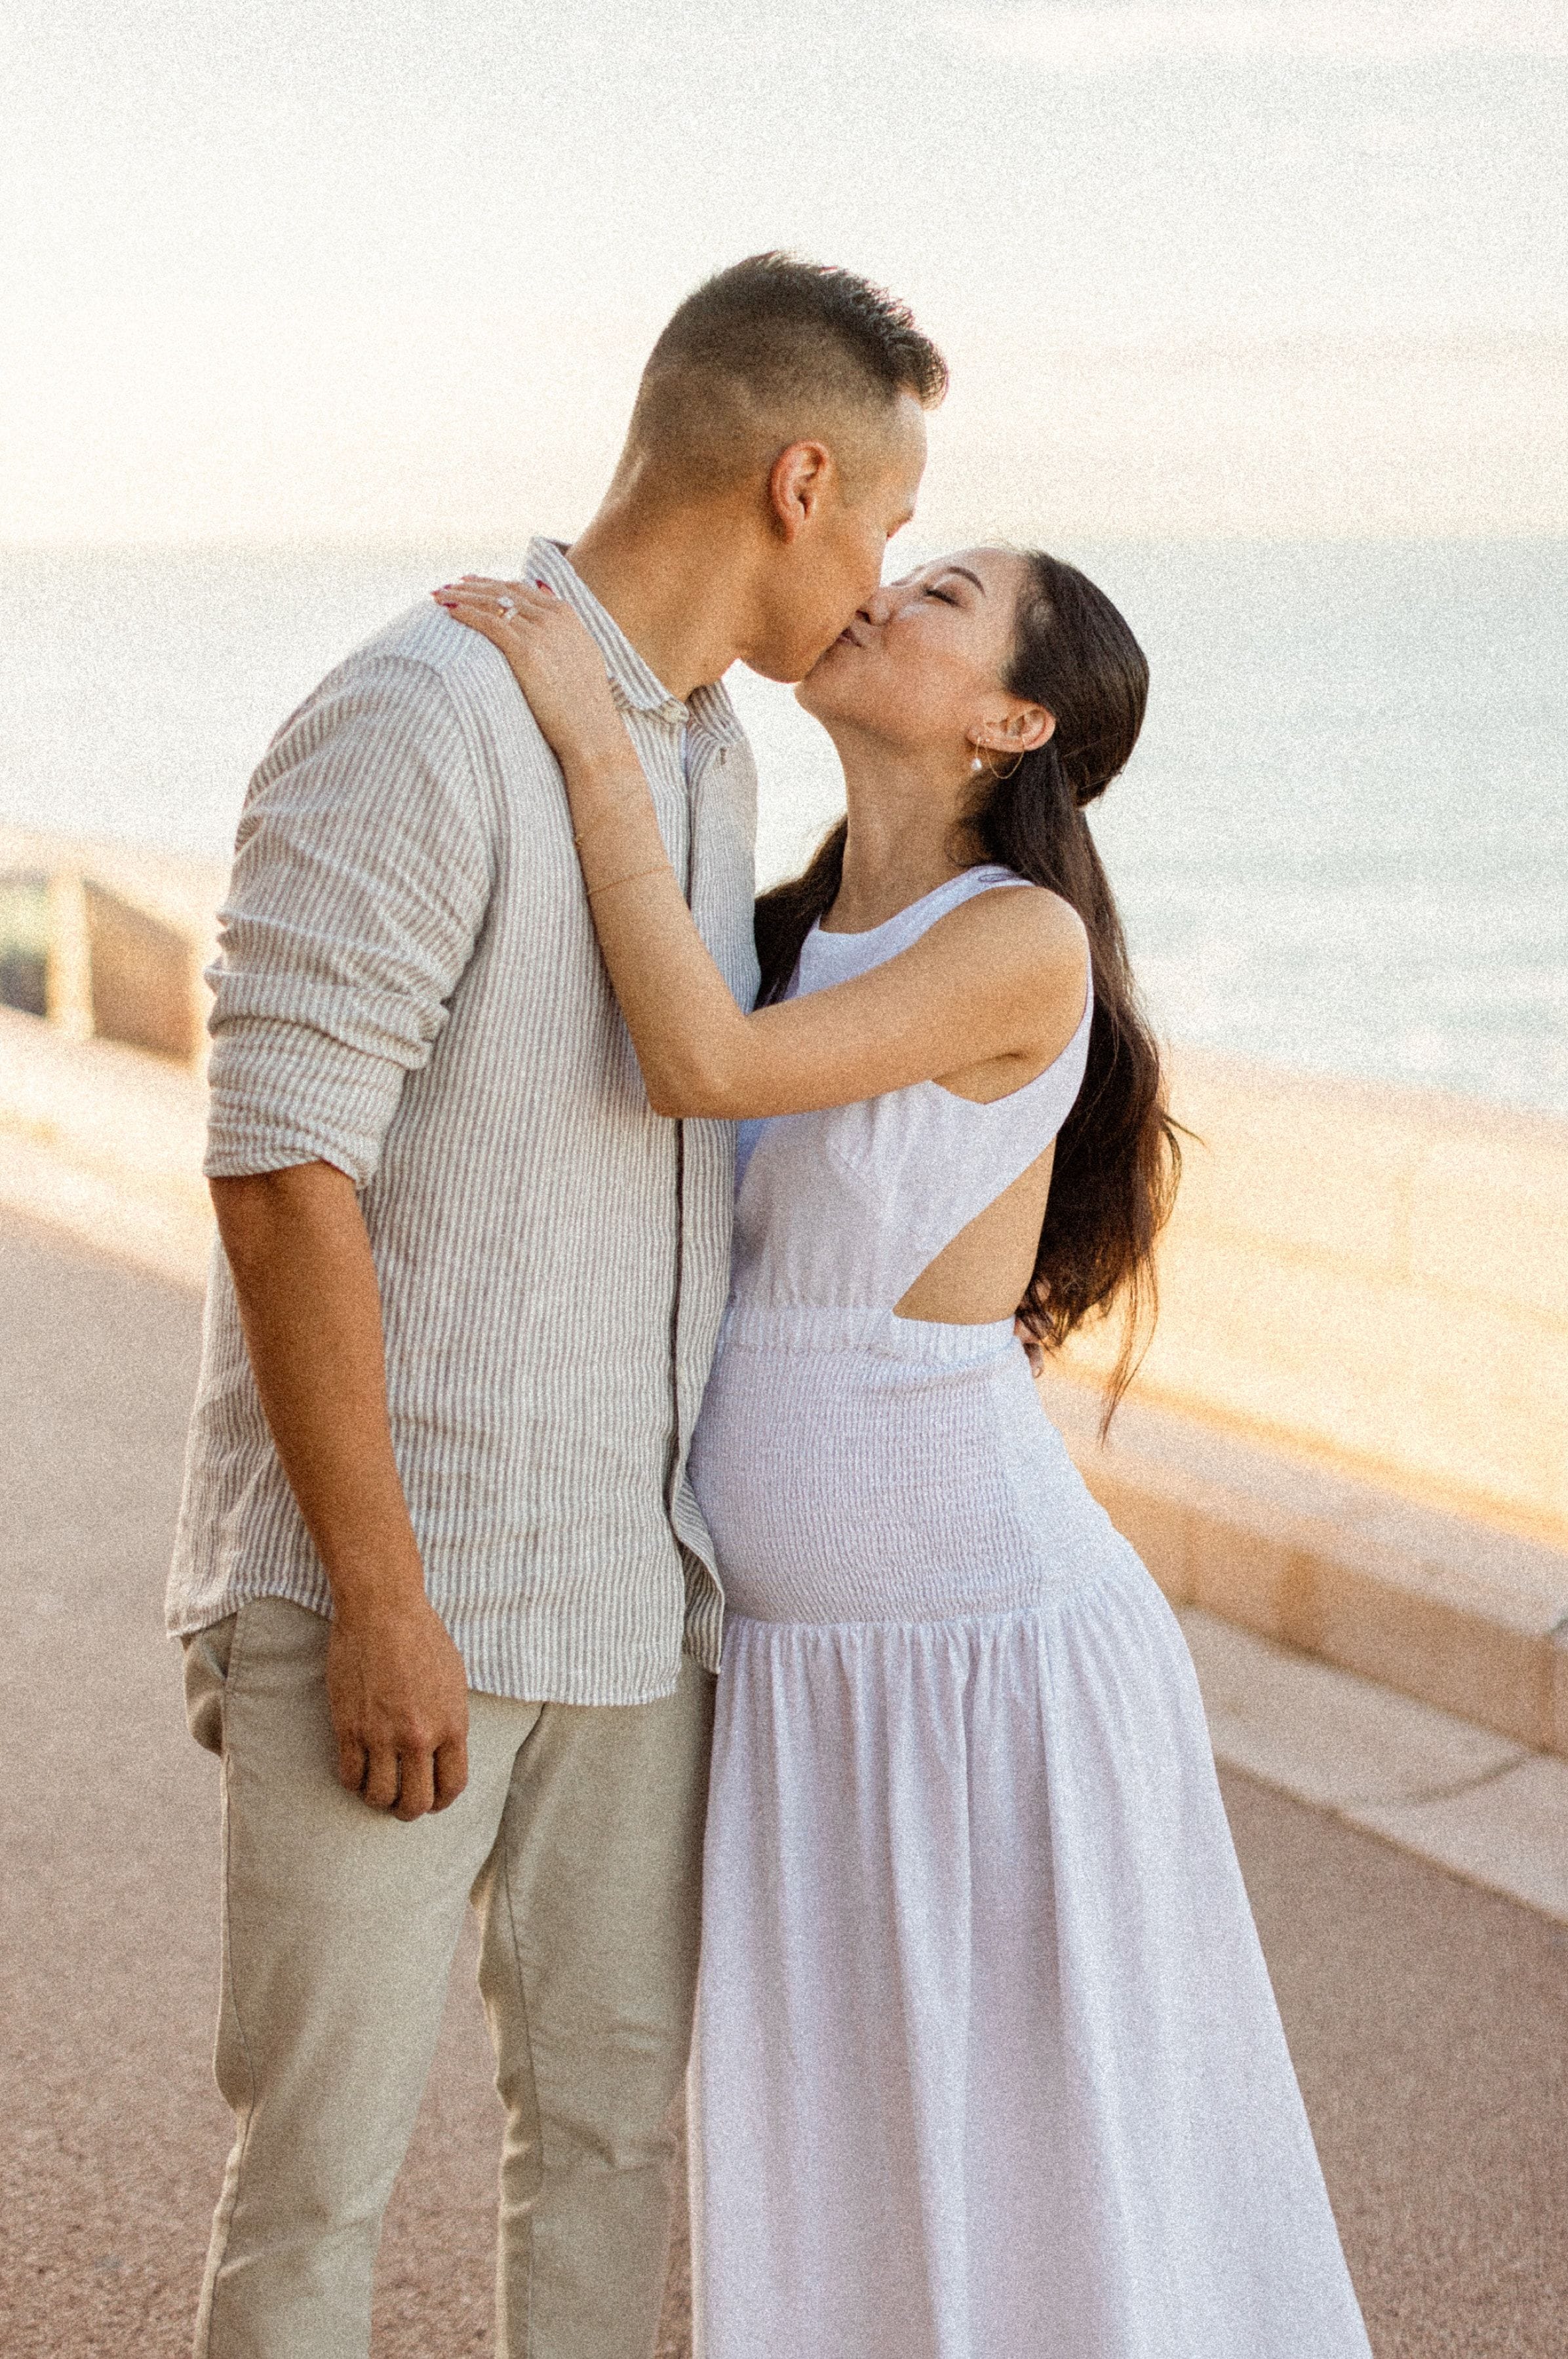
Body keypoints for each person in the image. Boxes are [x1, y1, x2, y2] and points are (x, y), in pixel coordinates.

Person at [439, 544, 1374, 2358]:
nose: (879, 592)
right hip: (793, 1674)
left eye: (940, 597)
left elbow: (695, 1064)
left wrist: (588, 741)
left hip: (985, 1659)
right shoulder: (785, 926)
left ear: (1011, 722)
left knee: (1051, 2160)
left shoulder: (1018, 941)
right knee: (847, 2160)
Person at [165, 252, 944, 2359]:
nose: (887, 572)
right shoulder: (417, 714)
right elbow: (276, 1164)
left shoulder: (706, 765)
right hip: (398, 1597)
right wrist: (384, 1596)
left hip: (636, 1609)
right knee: (316, 2193)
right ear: (799, 479)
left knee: (606, 2155)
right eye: (885, 519)